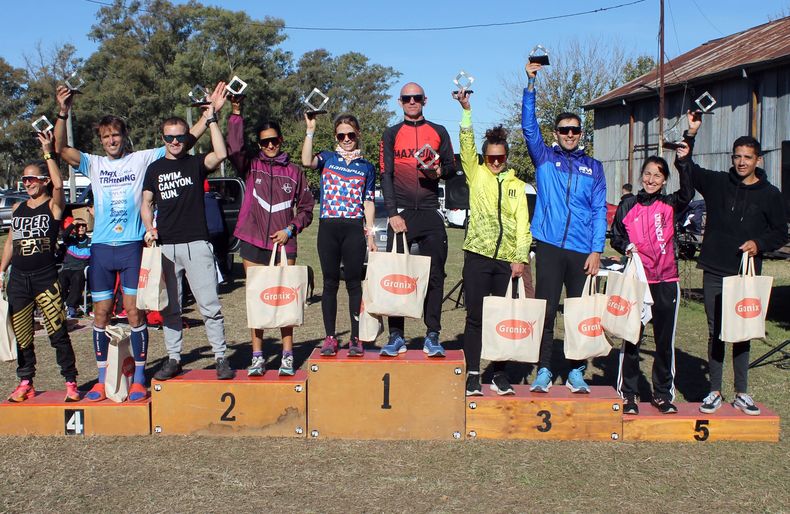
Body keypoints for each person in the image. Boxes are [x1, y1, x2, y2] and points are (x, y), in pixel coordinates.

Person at [53, 84, 215, 402]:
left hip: (130, 247)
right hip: (101, 249)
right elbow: (60, 148)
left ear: (124, 136)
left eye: (115, 135)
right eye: (105, 137)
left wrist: (207, 117)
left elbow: (181, 143)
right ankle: (102, 380)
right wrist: (63, 111)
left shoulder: (142, 160)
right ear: (101, 140)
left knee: (133, 313)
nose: (111, 141)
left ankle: (139, 377)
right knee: (99, 314)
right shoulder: (94, 163)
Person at [676, 112, 787, 416]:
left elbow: (780, 231)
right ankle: (714, 391)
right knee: (716, 331)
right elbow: (688, 166)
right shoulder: (717, 183)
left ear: (758, 160)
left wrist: (758, 244)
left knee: (741, 330)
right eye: (737, 156)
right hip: (714, 268)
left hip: (745, 273)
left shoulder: (770, 194)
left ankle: (742, 393)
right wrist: (691, 134)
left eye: (747, 157)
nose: (741, 162)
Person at [522, 61, 607, 393]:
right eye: (563, 130)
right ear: (556, 133)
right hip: (549, 245)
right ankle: (543, 368)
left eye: (575, 130)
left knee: (578, 312)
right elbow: (529, 127)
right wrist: (530, 85)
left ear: (581, 133)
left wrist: (597, 249)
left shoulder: (594, 168)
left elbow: (600, 210)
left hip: (582, 249)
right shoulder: (545, 159)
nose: (569, 135)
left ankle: (576, 371)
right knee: (546, 310)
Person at [141, 89, 234, 381]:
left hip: (197, 243)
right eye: (169, 137)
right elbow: (146, 203)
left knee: (209, 306)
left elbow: (221, 154)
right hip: (167, 246)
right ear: (163, 139)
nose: (175, 142)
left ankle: (220, 357)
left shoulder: (194, 164)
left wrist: (213, 119)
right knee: (171, 308)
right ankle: (173, 358)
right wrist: (149, 228)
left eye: (180, 136)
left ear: (185, 137)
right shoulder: (154, 169)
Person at [226, 96, 314, 376]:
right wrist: (236, 113)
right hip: (253, 242)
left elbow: (308, 208)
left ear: (281, 139)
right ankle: (257, 356)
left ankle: (287, 355)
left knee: (284, 299)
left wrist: (291, 229)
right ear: (259, 144)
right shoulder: (251, 166)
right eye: (265, 142)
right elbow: (235, 147)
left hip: (283, 244)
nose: (270, 146)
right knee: (258, 301)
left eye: (274, 140)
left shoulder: (294, 172)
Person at [455, 91, 533, 396]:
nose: (496, 162)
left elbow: (523, 226)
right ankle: (473, 374)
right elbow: (466, 145)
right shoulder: (476, 175)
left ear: (506, 157)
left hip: (506, 261)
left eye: (501, 157)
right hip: (477, 255)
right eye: (491, 158)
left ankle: (499, 373)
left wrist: (520, 258)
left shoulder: (517, 186)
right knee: (475, 317)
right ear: (484, 158)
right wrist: (466, 111)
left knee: (503, 319)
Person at [610, 152, 694, 415]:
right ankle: (629, 395)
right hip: (637, 281)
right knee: (631, 337)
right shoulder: (628, 205)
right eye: (647, 173)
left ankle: (661, 394)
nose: (651, 179)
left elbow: (689, 191)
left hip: (666, 280)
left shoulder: (671, 203)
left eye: (658, 175)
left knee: (663, 341)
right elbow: (615, 236)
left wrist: (683, 161)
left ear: (665, 180)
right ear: (640, 176)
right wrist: (625, 246)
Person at [0, 132, 79, 402]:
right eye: (24, 179)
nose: (27, 183)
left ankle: (70, 381)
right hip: (19, 279)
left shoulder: (54, 207)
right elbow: (11, 241)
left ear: (44, 181)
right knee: (23, 335)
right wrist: (1, 271)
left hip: (45, 278)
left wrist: (48, 152)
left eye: (32, 178)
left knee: (57, 332)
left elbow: (59, 185)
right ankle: (25, 382)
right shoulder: (19, 208)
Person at [379, 82, 456, 357]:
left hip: (429, 211)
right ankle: (396, 335)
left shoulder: (439, 131)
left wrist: (438, 170)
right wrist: (391, 214)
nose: (412, 102)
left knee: (435, 276)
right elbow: (385, 175)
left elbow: (451, 167)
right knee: (395, 276)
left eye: (417, 98)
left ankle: (432, 334)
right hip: (401, 212)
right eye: (407, 98)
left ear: (425, 100)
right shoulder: (391, 134)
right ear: (400, 102)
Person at [301, 113, 377, 356]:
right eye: (341, 135)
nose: (346, 139)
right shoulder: (327, 157)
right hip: (329, 227)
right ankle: (330, 337)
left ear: (358, 135)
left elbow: (369, 201)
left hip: (353, 228)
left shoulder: (366, 166)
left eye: (351, 135)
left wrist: (371, 233)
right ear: (336, 136)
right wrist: (310, 131)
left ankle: (356, 338)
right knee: (330, 282)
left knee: (355, 284)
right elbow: (305, 161)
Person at [59, 217, 91, 319]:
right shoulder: (70, 240)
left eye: (83, 226)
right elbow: (64, 234)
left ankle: (71, 306)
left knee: (77, 278)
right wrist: (74, 222)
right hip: (68, 268)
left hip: (82, 269)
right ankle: (61, 304)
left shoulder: (90, 241)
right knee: (61, 279)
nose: (81, 228)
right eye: (78, 226)